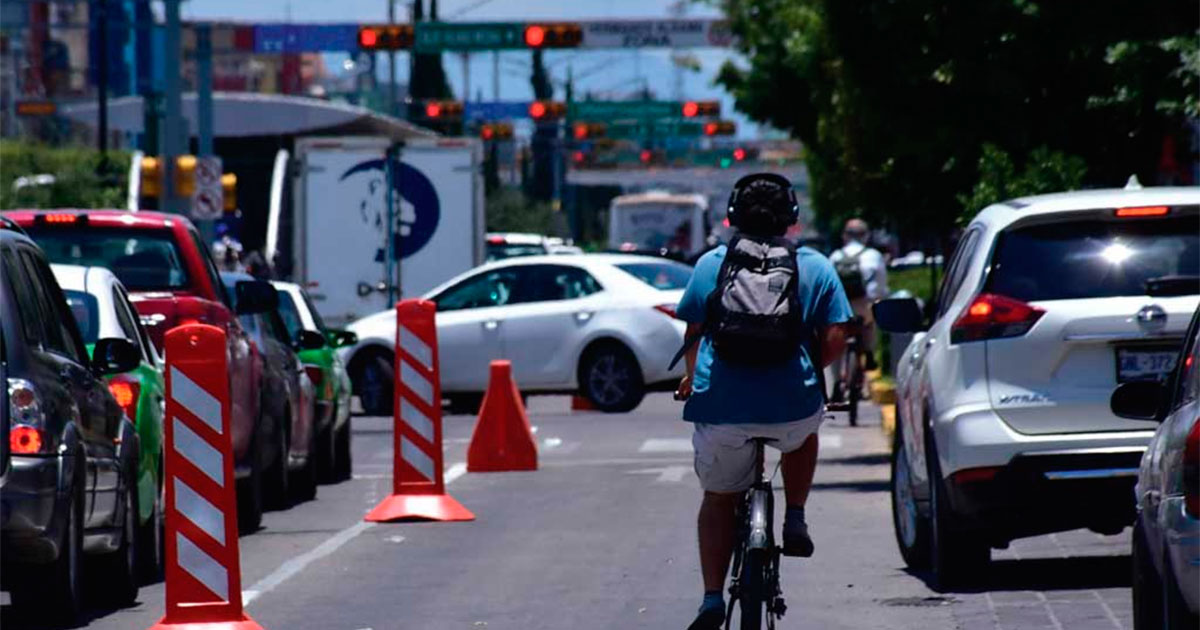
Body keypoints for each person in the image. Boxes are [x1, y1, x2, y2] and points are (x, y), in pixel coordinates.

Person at [675, 173, 853, 630]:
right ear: (792, 217)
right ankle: (794, 516)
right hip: (793, 405)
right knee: (803, 434)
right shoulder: (814, 266)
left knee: (717, 498)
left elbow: (694, 335)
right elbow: (836, 337)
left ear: (732, 215)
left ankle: (712, 600)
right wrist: (814, 374)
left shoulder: (711, 263)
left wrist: (692, 379)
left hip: (721, 409)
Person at [829, 218, 889, 371]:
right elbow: (881, 287)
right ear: (866, 236)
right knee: (870, 324)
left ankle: (836, 383)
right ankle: (869, 353)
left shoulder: (835, 256)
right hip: (863, 307)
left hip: (840, 308)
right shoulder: (873, 255)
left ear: (845, 236)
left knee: (837, 342)